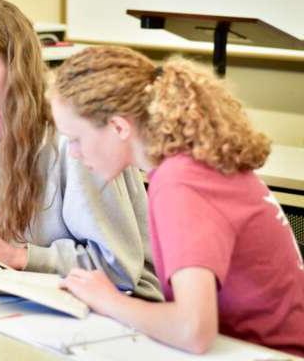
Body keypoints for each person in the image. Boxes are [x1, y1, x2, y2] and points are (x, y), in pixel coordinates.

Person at [0, 0, 162, 301]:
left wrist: (20, 257)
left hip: (116, 299)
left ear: (17, 66)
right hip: (27, 284)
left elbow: (117, 267)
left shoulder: (73, 133)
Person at [51, 45, 304, 356]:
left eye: (76, 139)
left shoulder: (179, 183)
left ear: (119, 126)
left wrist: (108, 300)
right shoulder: (190, 164)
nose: (74, 153)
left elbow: (193, 330)